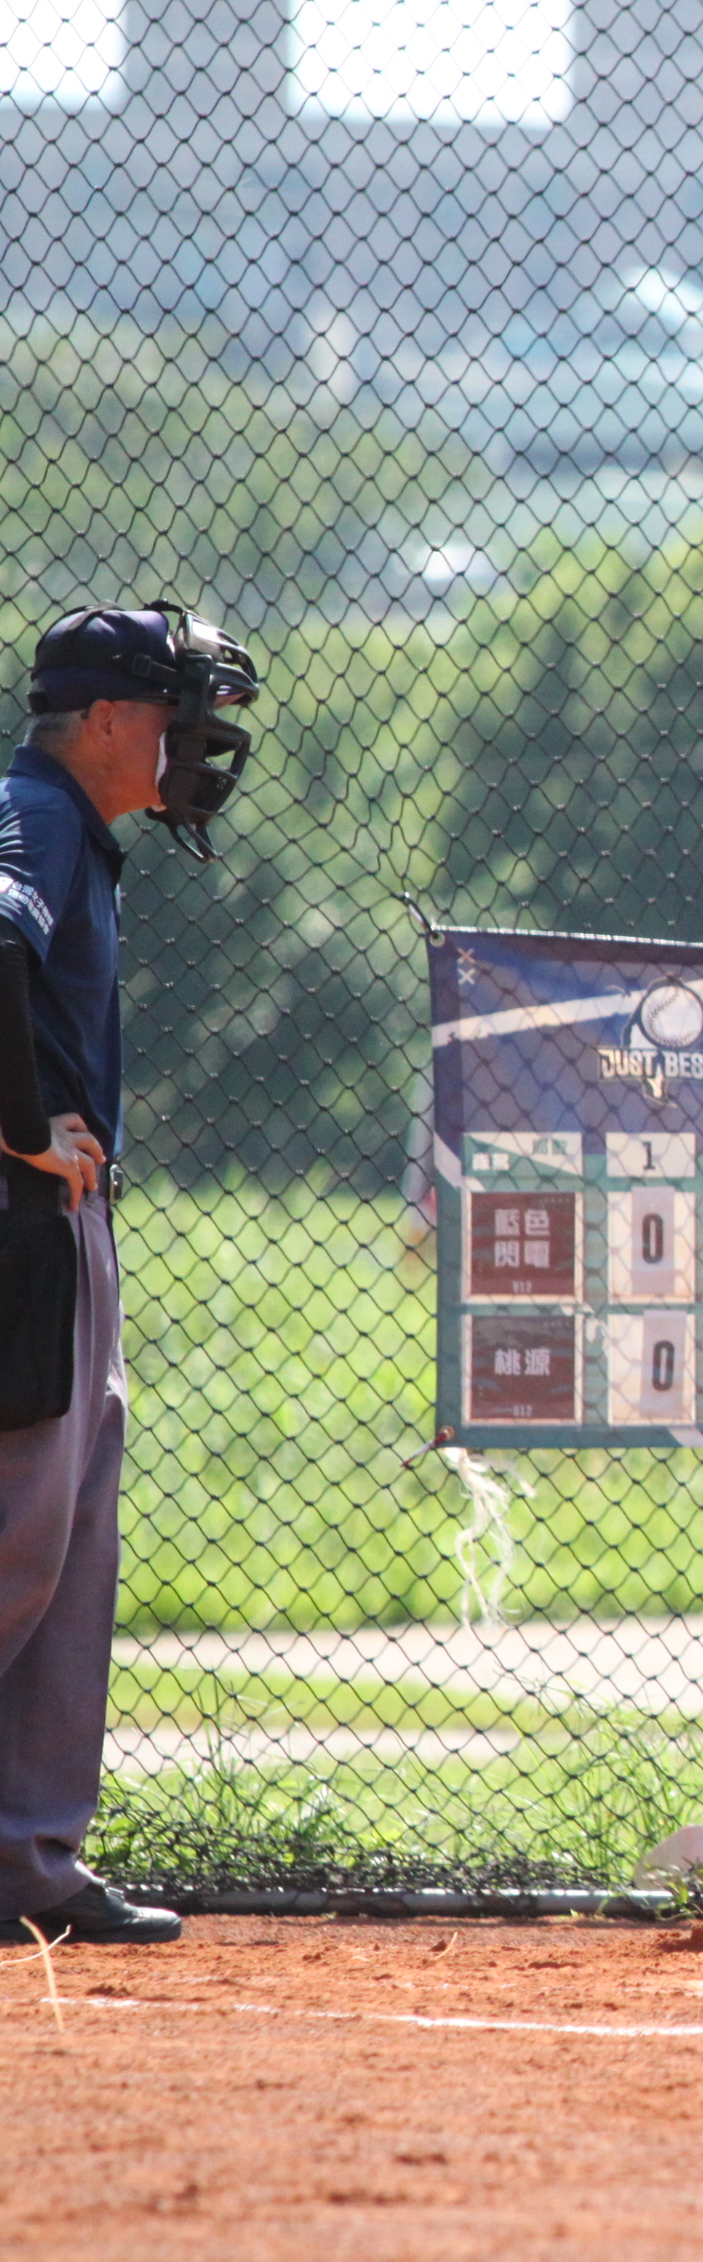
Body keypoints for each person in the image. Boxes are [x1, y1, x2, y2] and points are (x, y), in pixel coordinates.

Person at [0, 603, 259, 1949]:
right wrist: (20, 1128)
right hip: (19, 1223)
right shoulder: (35, 817)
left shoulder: (76, 832)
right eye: (176, 715)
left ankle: (25, 1864)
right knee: (16, 1542)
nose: (196, 743)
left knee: (64, 1547)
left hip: (60, 1225)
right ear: (105, 720)